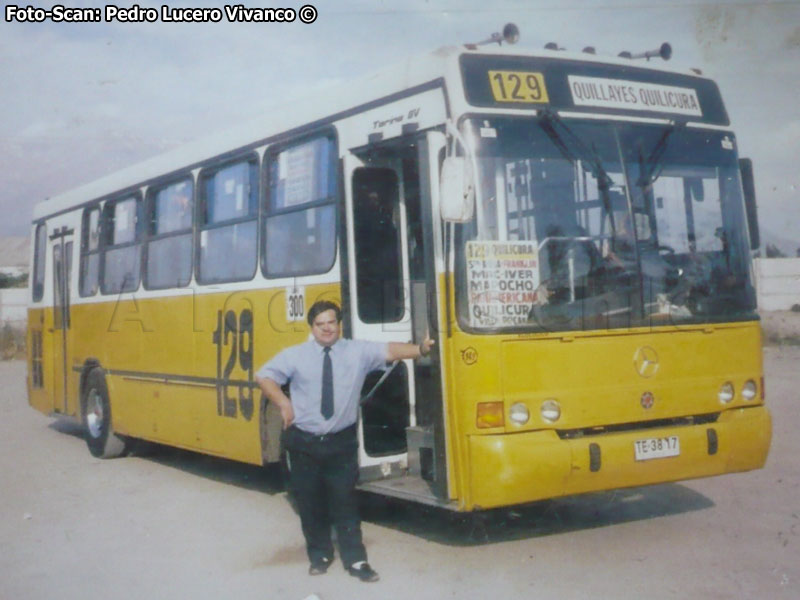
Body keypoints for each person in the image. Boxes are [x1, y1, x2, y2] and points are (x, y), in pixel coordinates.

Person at [255, 300, 434, 583]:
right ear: (312, 328)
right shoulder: (295, 355)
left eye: (331, 322)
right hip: (304, 442)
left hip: (341, 443)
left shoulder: (356, 351)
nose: (327, 328)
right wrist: (283, 402)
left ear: (339, 324)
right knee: (310, 503)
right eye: (320, 324)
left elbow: (389, 350)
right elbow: (264, 375)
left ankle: (357, 561)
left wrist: (420, 349)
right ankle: (320, 556)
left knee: (345, 503)